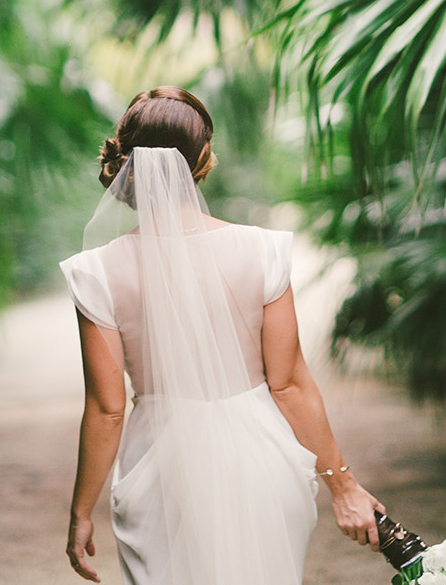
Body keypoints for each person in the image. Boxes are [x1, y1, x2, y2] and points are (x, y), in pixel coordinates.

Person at [60, 86, 384, 585]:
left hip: (160, 475)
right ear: (203, 158)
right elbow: (289, 383)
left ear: (124, 161)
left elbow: (106, 408)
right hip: (261, 461)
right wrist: (344, 487)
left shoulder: (96, 272)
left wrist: (82, 511)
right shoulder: (262, 251)